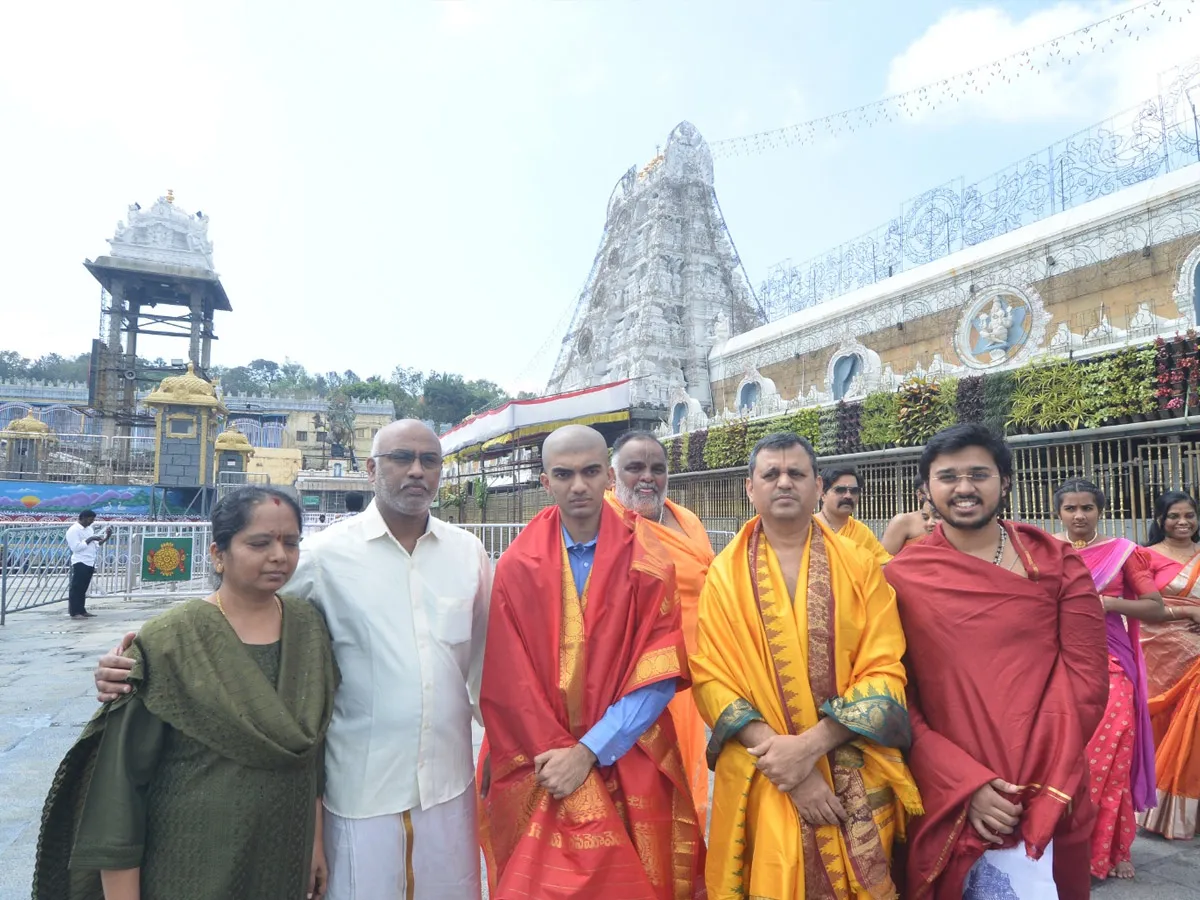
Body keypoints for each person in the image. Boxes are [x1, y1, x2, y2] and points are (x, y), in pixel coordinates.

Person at [93, 420, 491, 900]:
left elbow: (486, 661)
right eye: (400, 458)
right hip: (359, 789)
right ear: (370, 469)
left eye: (429, 460)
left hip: (449, 782)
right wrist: (144, 656)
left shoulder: (469, 554)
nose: (416, 471)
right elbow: (238, 611)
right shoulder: (324, 556)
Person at [35, 486, 338, 900]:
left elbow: (312, 757)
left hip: (283, 861)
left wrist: (315, 842)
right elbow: (120, 787)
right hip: (190, 867)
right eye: (259, 543)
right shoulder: (170, 641)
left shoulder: (309, 628)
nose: (279, 556)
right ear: (218, 553)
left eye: (290, 542)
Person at [478, 424, 705, 899]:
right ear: (545, 482)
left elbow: (658, 671)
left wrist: (589, 751)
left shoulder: (649, 559)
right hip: (542, 763)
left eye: (589, 472)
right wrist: (560, 760)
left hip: (630, 752)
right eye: (563, 474)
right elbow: (508, 681)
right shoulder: (517, 565)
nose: (577, 485)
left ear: (607, 476)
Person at [691, 432, 921, 899]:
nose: (784, 483)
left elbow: (886, 669)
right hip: (764, 767)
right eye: (770, 474)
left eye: (796, 473)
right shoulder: (722, 574)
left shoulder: (859, 564)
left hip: (849, 760)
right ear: (749, 487)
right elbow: (710, 677)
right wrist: (789, 765)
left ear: (817, 486)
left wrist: (810, 748)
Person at [885, 425, 1108, 900]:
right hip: (947, 786)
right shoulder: (900, 577)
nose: (964, 487)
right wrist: (966, 784)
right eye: (948, 476)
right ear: (925, 489)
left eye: (979, 474)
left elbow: (1086, 681)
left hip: (1050, 777)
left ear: (1005, 482)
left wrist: (1034, 781)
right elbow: (895, 693)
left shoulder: (1056, 562)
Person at [1052, 479, 1162, 880]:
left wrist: (1103, 604)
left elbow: (1155, 607)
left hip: (1112, 664)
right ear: (1058, 513)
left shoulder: (1122, 553)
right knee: (1065, 761)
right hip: (1058, 665)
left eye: (1087, 508)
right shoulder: (1049, 553)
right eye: (1070, 509)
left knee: (1106, 760)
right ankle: (1062, 849)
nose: (1079, 516)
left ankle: (1111, 849)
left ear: (1100, 511)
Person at [605, 429, 714, 824]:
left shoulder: (686, 519)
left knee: (689, 775)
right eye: (635, 468)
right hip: (639, 676)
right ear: (612, 475)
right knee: (645, 789)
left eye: (658, 468)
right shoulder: (605, 525)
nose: (648, 477)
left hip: (698, 670)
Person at [1139, 491, 1200, 840]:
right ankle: (1161, 804)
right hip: (1159, 648)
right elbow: (1138, 605)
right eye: (1174, 515)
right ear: (1160, 519)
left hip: (1197, 654)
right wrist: (1188, 611)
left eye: (1189, 515)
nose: (1182, 522)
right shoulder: (1144, 556)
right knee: (1165, 723)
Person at [815, 466, 892, 567]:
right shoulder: (808, 528)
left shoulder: (861, 531)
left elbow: (883, 564)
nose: (848, 496)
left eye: (854, 491)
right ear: (823, 494)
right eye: (840, 490)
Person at [64, 510, 113, 618]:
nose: (92, 522)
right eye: (90, 519)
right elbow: (76, 548)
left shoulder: (89, 529)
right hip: (80, 561)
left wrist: (107, 537)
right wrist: (90, 539)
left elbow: (97, 544)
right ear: (84, 518)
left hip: (90, 561)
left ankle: (82, 610)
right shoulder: (74, 530)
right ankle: (74, 612)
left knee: (83, 588)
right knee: (77, 587)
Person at [880, 475, 935, 556]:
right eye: (931, 490)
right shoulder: (903, 521)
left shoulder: (954, 521)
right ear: (920, 494)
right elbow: (883, 562)